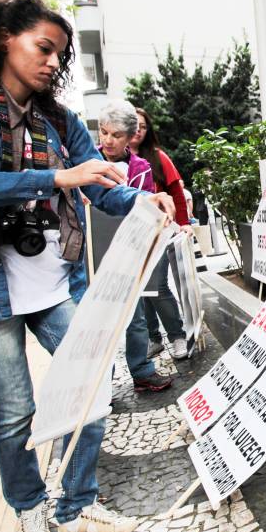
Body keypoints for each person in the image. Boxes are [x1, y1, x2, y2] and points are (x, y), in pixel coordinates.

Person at [0, 0, 175, 532]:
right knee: (15, 413)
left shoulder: (60, 119)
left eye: (58, 55)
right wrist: (52, 178)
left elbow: (102, 188)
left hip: (52, 282)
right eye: (43, 48)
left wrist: (146, 201)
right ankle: (30, 510)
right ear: (5, 38)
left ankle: (75, 508)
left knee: (88, 396)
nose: (51, 62)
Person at [97, 101, 174, 390]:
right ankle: (102, 384)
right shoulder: (89, 162)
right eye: (104, 132)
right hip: (95, 251)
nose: (108, 140)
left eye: (116, 135)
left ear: (130, 137)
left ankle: (141, 371)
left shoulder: (140, 167)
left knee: (135, 316)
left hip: (130, 249)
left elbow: (146, 207)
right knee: (99, 322)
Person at [128, 109, 192, 359]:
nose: (137, 131)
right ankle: (153, 338)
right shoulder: (110, 157)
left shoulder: (158, 157)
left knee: (157, 285)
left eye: (142, 127)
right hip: (127, 235)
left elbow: (176, 191)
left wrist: (184, 222)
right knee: (140, 290)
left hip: (158, 231)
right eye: (133, 126)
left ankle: (177, 336)